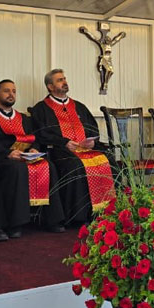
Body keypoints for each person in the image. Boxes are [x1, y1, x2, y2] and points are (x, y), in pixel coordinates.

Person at [0, 79, 66, 241]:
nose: (11, 94)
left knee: (48, 165)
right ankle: (15, 224)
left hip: (25, 157)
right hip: (1, 160)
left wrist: (34, 149)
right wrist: (8, 153)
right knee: (16, 168)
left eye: (13, 91)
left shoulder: (24, 119)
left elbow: (35, 138)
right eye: (6, 91)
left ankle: (52, 219)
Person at [30, 69, 115, 226]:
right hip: (60, 151)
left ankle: (107, 211)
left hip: (86, 149)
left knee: (108, 160)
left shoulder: (79, 106)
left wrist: (92, 142)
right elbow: (41, 134)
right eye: (59, 80)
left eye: (64, 78)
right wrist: (64, 142)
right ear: (50, 87)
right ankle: (79, 216)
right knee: (75, 166)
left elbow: (92, 128)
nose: (64, 82)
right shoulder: (41, 109)